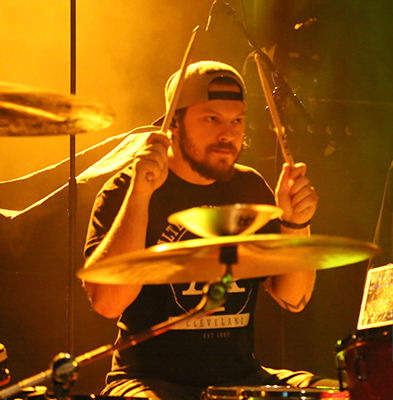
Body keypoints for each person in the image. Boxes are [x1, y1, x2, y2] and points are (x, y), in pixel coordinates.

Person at [83, 61, 325, 400]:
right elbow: (108, 304)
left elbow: (293, 299)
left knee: (338, 392)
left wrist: (296, 223)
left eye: (237, 120)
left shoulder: (250, 187)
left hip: (242, 376)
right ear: (174, 123)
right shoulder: (126, 189)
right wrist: (140, 195)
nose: (228, 134)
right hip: (148, 380)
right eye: (212, 119)